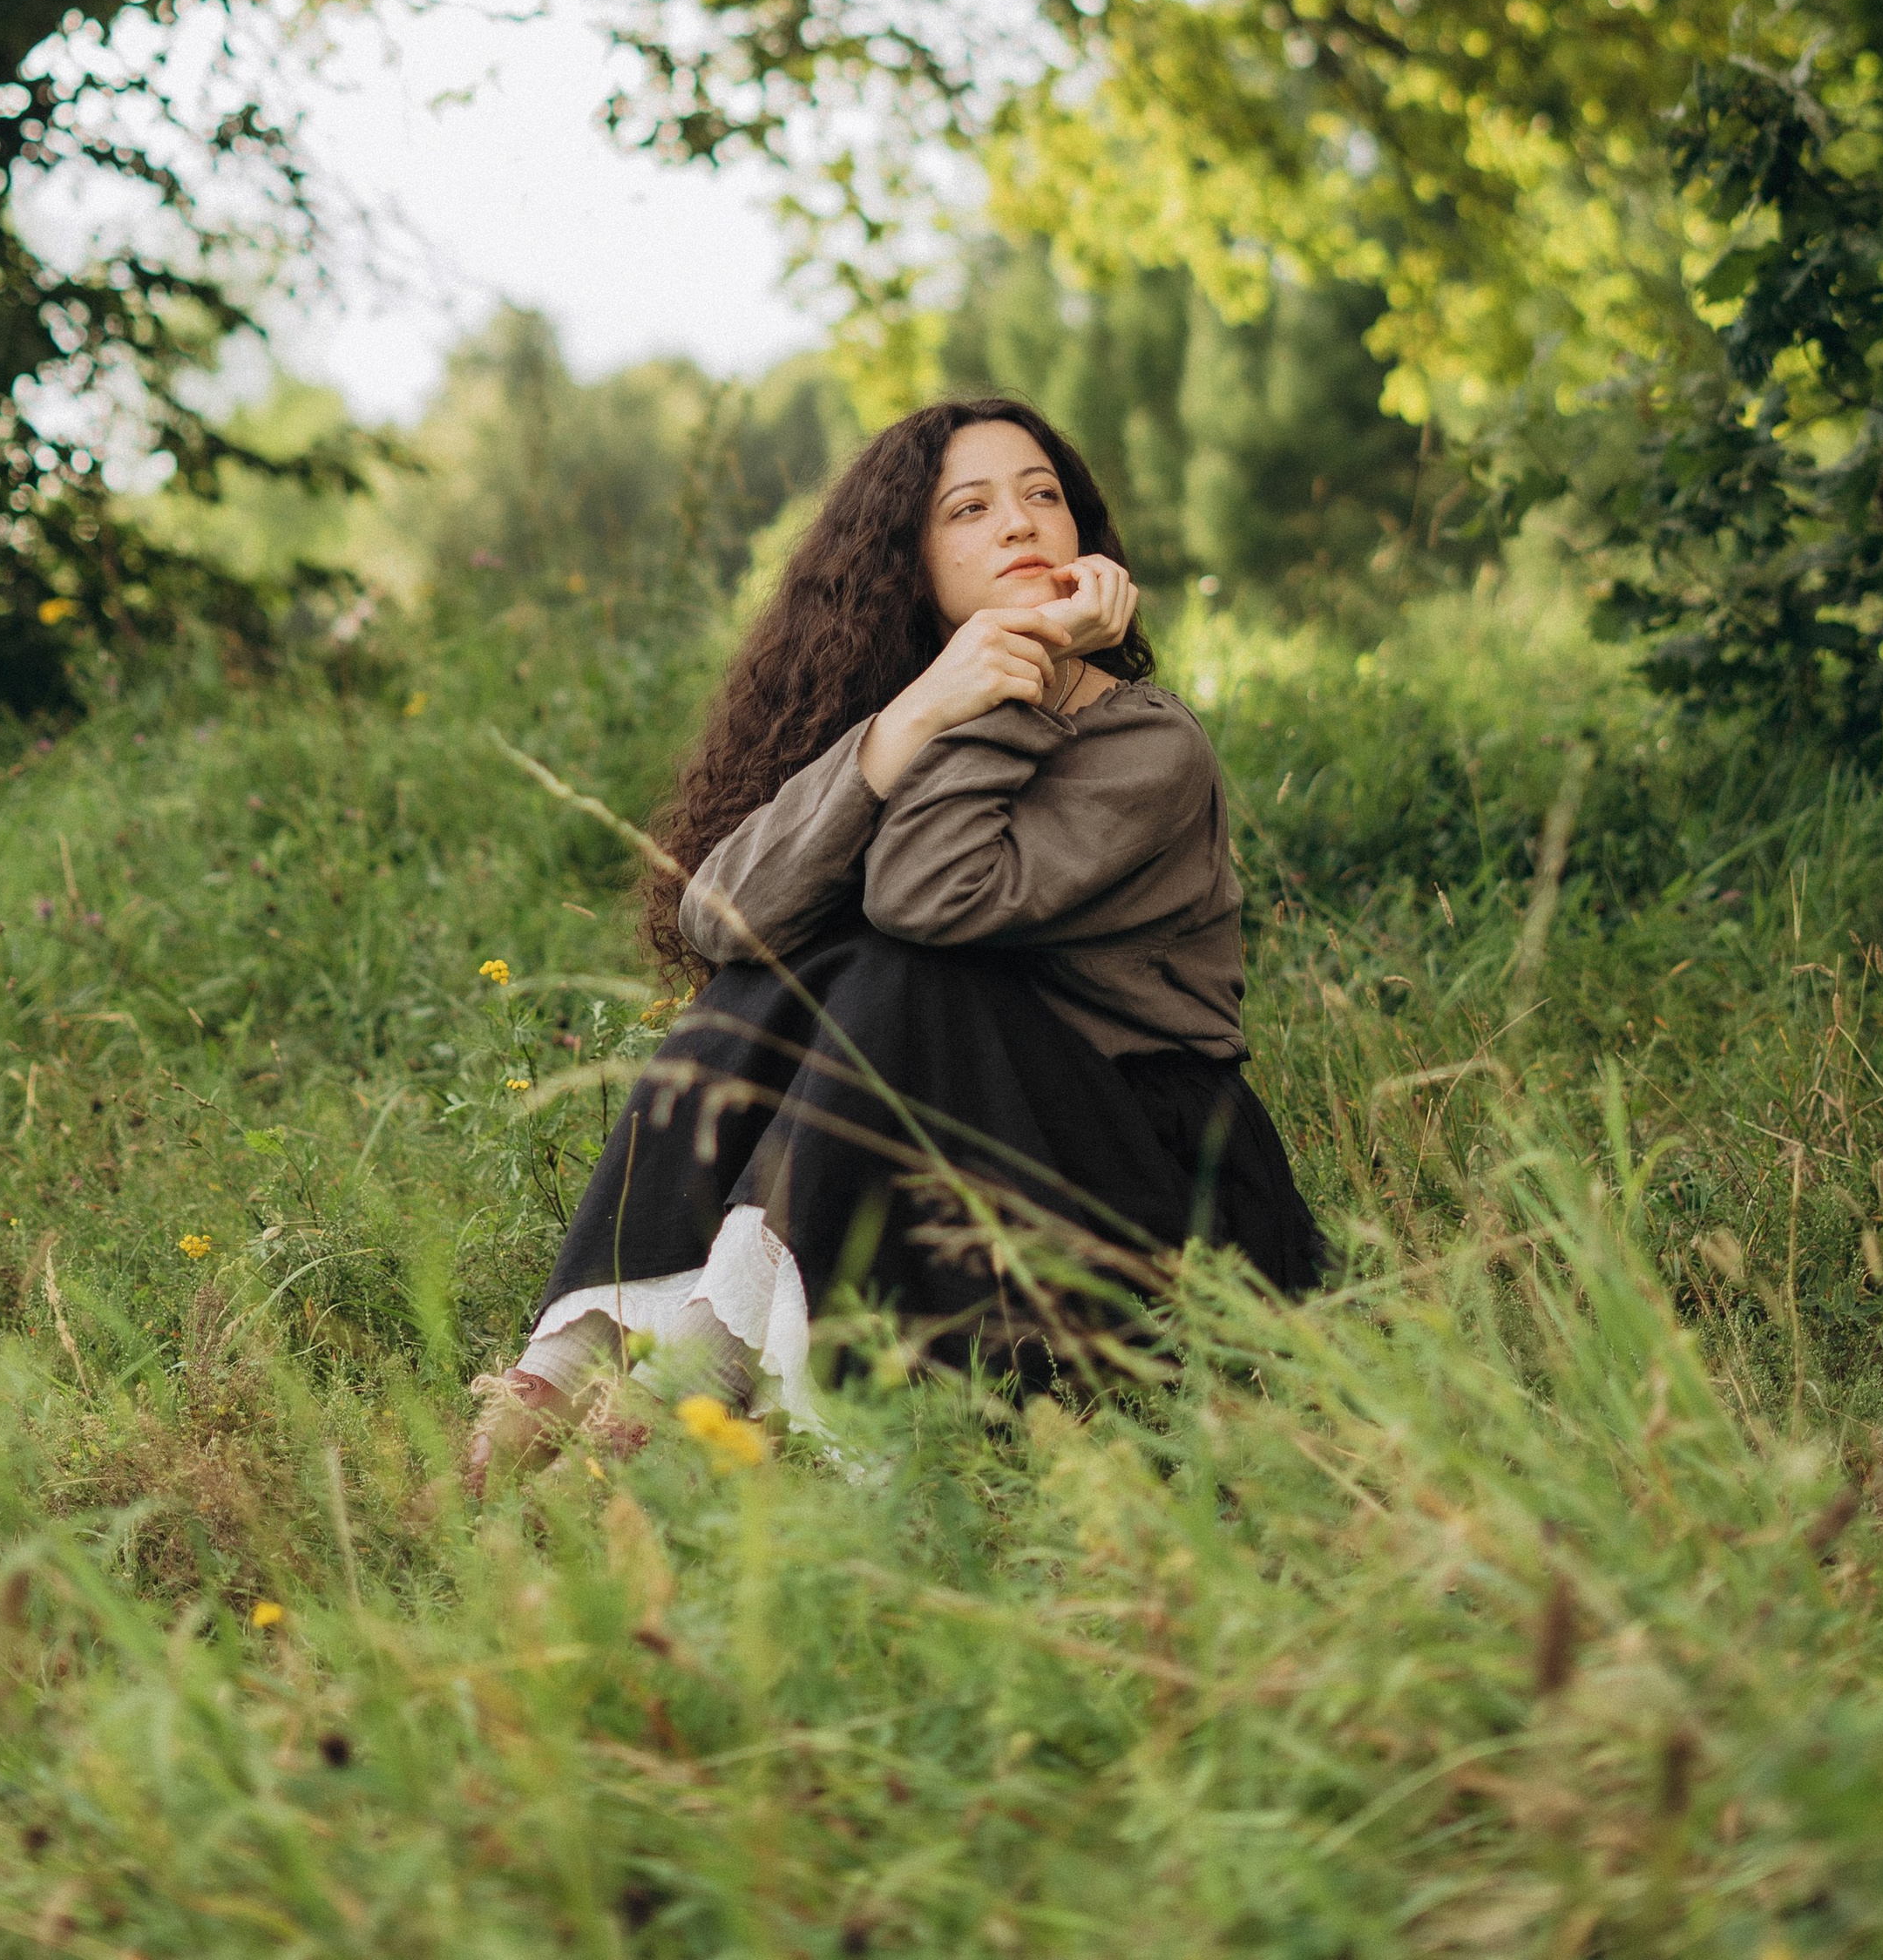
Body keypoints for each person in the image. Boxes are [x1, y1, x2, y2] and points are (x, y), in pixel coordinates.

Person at [468, 396, 1324, 1488]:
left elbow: (929, 899)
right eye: (969, 509)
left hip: (1154, 1187)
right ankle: (553, 1379)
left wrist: (1006, 687)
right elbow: (718, 918)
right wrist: (912, 716)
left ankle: (670, 1404)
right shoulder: (915, 711)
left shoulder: (1145, 744)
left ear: (1084, 540)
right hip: (963, 1150)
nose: (1019, 525)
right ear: (908, 566)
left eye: (1043, 497)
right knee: (783, 971)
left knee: (896, 966)